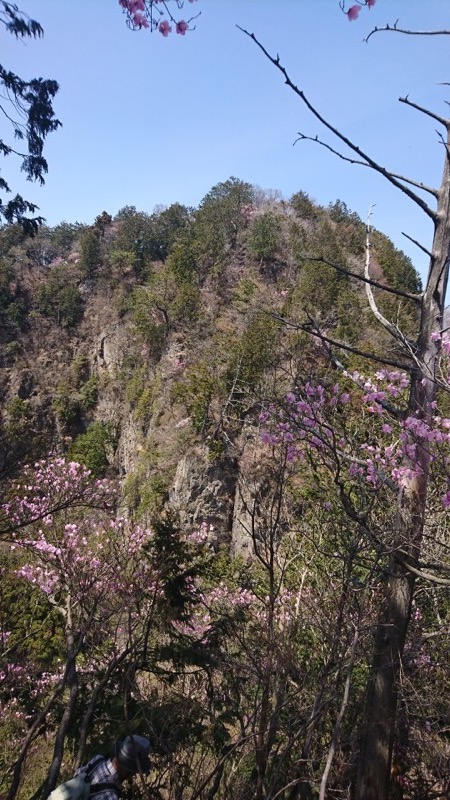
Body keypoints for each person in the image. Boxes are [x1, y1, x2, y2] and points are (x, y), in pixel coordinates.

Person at [75, 735, 151, 799]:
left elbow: (77, 775)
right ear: (129, 770)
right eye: (135, 771)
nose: (133, 775)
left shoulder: (97, 760)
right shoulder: (110, 796)